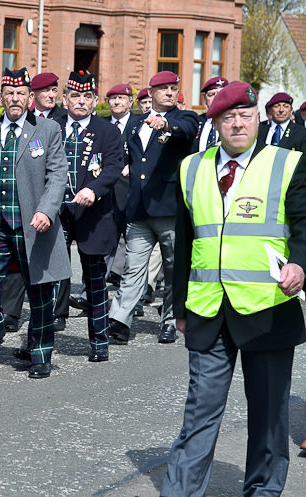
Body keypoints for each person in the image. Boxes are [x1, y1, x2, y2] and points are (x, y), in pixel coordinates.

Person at [162, 81, 306, 497]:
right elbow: (184, 242)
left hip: (266, 310)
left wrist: (299, 263)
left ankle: (262, 490)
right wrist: (179, 307)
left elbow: (304, 226)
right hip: (207, 310)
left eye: (245, 116)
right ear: (216, 123)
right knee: (199, 414)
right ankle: (180, 492)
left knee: (268, 417)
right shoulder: (192, 168)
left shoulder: (288, 164)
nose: (238, 124)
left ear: (257, 118)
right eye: (228, 118)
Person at [0, 67, 70, 379]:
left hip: (33, 223)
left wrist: (46, 210)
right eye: (9, 93)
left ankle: (39, 354)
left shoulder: (48, 129)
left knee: (39, 291)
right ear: (0, 97)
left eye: (21, 94)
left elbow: (57, 175)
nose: (15, 98)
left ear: (30, 98)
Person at [106, 71, 198, 345]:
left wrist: (166, 126)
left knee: (173, 269)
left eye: (173, 88)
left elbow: (187, 133)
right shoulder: (135, 123)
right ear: (151, 92)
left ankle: (169, 320)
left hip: (169, 208)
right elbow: (129, 155)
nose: (170, 92)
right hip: (139, 208)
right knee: (134, 267)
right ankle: (120, 319)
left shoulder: (185, 118)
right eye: (164, 88)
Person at [53, 71, 123, 362]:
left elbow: (113, 167)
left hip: (92, 213)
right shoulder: (51, 126)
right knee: (49, 278)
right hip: (57, 211)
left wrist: (93, 190)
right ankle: (40, 340)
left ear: (95, 101)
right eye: (75, 96)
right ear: (65, 98)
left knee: (94, 280)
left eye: (87, 97)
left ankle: (98, 341)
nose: (80, 102)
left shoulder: (107, 131)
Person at [192, 77, 228, 153]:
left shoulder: (237, 121)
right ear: (205, 99)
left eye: (221, 93)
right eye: (211, 94)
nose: (217, 97)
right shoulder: (198, 121)